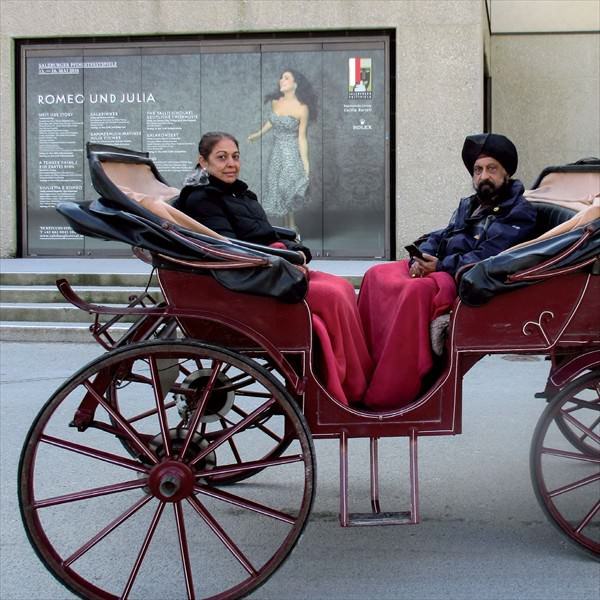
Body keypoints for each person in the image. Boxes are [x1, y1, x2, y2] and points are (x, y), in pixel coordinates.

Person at [174, 132, 372, 406]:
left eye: (235, 156)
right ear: (203, 162)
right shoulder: (202, 199)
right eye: (221, 158)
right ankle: (349, 386)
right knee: (334, 297)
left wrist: (292, 249)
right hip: (248, 279)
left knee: (342, 288)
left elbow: (261, 234)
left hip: (270, 266)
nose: (231, 163)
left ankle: (358, 375)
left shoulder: (236, 192)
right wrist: (285, 257)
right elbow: (229, 248)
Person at [357, 133, 538, 410]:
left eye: (491, 169)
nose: (483, 176)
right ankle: (369, 364)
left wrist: (440, 266)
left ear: (506, 173)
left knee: (414, 291)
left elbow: (490, 256)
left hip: (471, 278)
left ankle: (398, 382)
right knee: (376, 275)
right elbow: (444, 234)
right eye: (478, 170)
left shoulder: (519, 212)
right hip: (445, 267)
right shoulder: (470, 204)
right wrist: (422, 255)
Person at [247, 69, 317, 230]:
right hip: (277, 152)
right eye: (281, 78)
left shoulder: (302, 108)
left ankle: (292, 228)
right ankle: (287, 227)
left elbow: (302, 137)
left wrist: (305, 163)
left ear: (295, 84)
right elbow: (273, 121)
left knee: (287, 187)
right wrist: (258, 134)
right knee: (277, 187)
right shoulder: (276, 103)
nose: (281, 80)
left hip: (291, 152)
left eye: (286, 78)